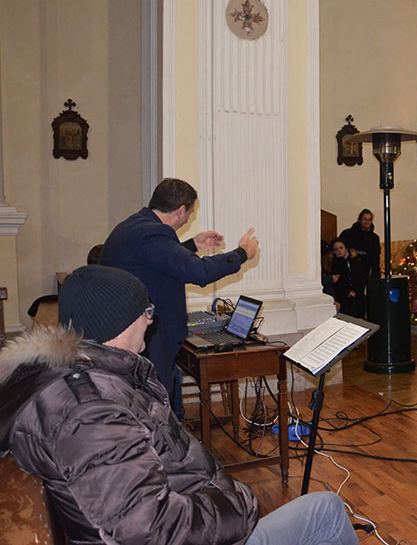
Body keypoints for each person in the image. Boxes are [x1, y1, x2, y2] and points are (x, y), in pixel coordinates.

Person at [0, 265, 358, 545]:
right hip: (203, 528)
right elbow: (147, 528)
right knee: (325, 511)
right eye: (146, 311)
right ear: (121, 322)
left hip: (186, 509)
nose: (150, 320)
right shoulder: (90, 411)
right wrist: (239, 506)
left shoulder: (82, 382)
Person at [100, 178, 259, 415]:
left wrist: (193, 244)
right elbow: (199, 271)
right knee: (159, 408)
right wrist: (241, 254)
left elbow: (157, 261)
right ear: (180, 210)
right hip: (146, 340)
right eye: (190, 213)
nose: (188, 219)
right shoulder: (153, 234)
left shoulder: (135, 226)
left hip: (131, 333)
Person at [329, 237, 367, 317]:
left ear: (346, 248)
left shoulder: (355, 260)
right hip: (343, 297)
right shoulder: (335, 263)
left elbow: (361, 278)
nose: (339, 251)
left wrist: (355, 290)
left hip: (357, 294)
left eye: (341, 248)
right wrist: (347, 292)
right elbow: (337, 282)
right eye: (336, 249)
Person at [339, 209, 382, 278]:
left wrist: (376, 275)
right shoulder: (348, 234)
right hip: (348, 270)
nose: (367, 222)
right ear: (359, 220)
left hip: (364, 271)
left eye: (369, 219)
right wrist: (349, 252)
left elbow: (375, 257)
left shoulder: (374, 238)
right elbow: (338, 248)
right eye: (364, 219)